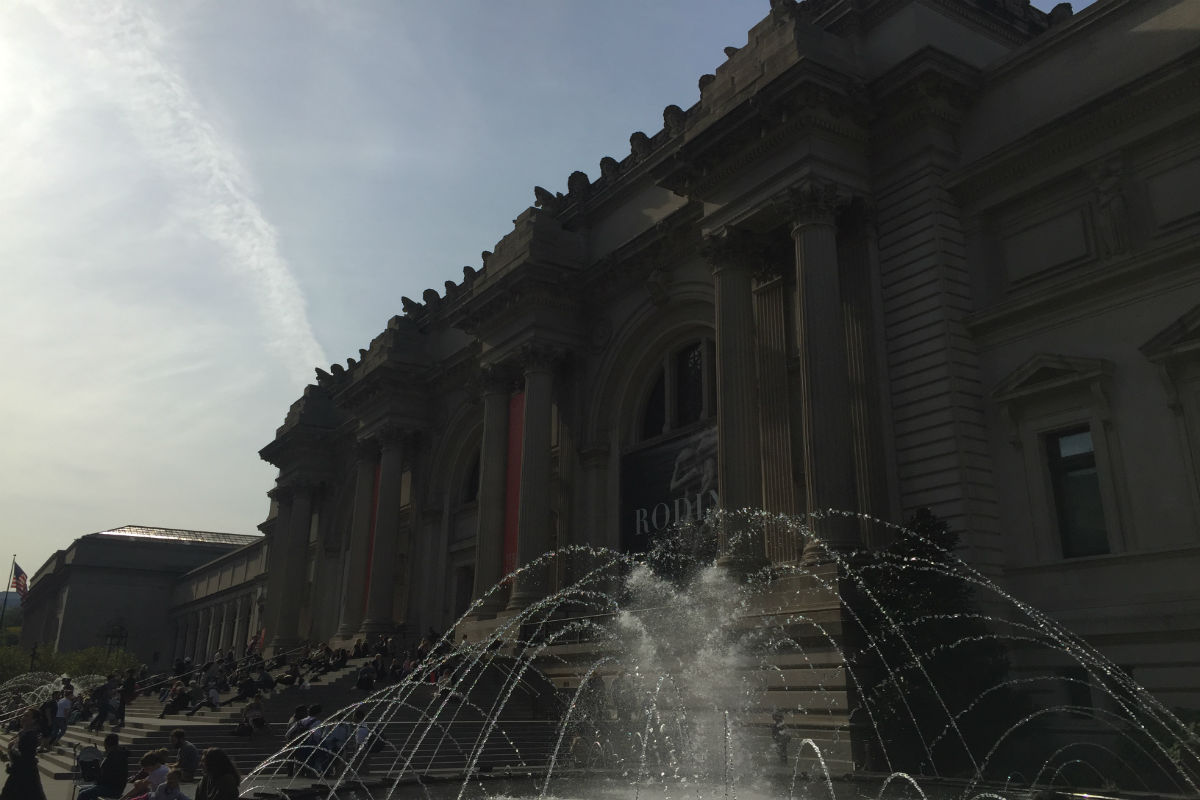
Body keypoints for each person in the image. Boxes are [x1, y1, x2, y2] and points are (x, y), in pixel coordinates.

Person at [0, 709, 47, 800]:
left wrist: (10, 763)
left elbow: (26, 757)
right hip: (20, 772)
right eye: (23, 715)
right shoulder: (23, 732)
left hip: (25, 774)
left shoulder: (31, 736)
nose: (23, 717)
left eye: (27, 716)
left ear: (34, 720)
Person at [77, 733, 129, 800]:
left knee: (83, 794)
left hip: (113, 788)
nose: (104, 747)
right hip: (108, 786)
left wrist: (96, 775)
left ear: (108, 745)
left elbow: (109, 776)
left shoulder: (115, 756)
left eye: (105, 745)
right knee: (82, 791)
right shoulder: (114, 754)